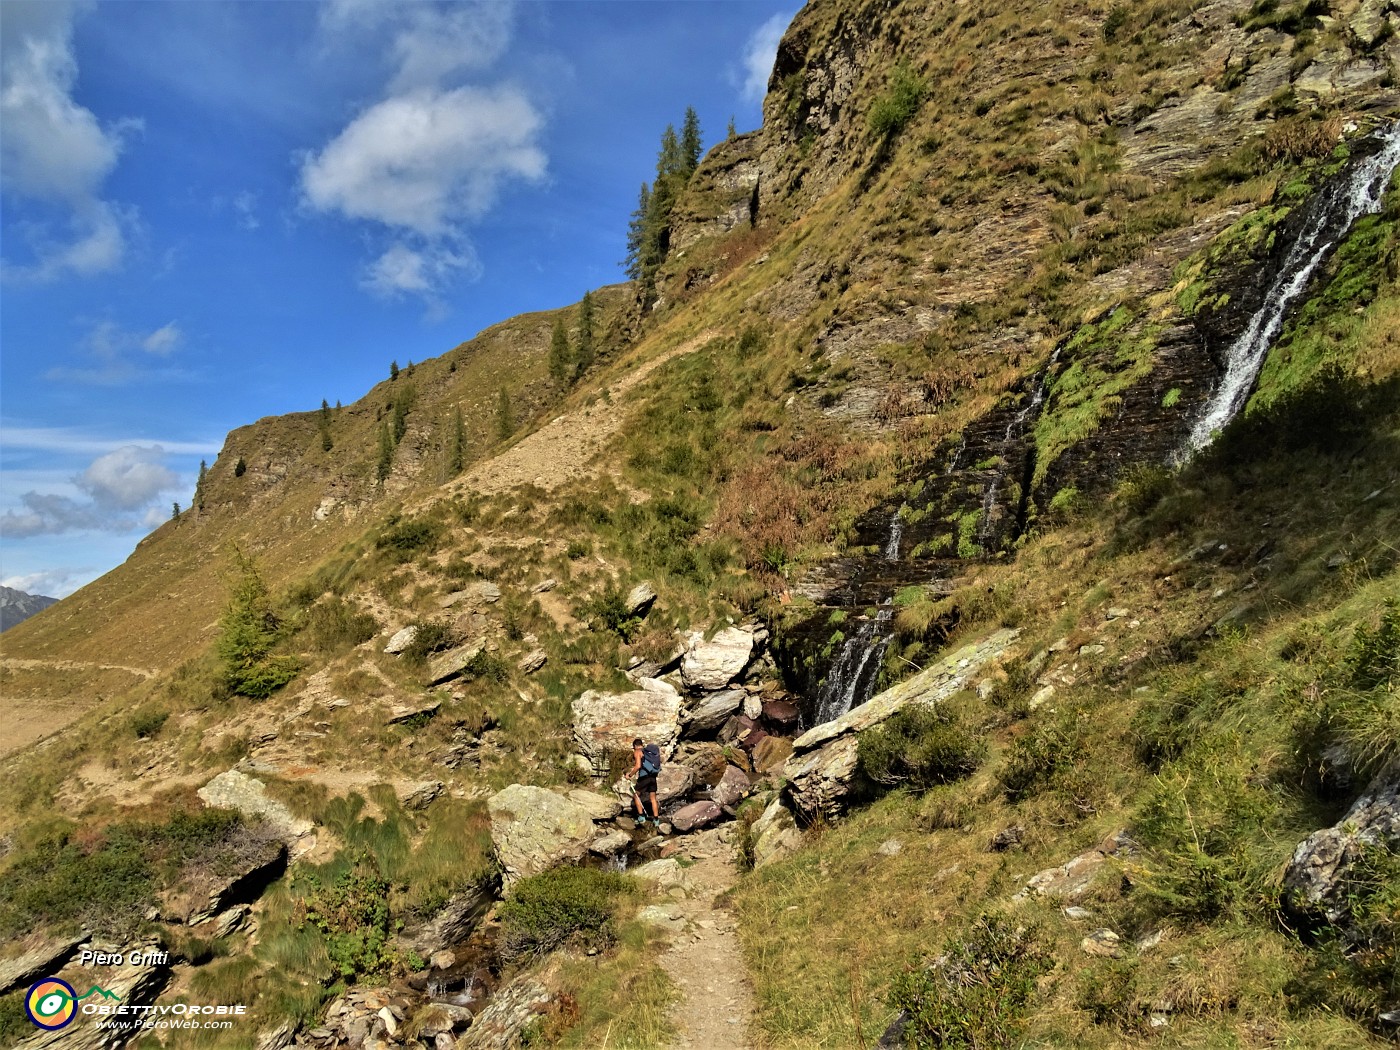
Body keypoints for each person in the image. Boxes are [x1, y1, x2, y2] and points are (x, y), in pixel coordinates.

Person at [630, 736, 662, 827]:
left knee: (636, 795)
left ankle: (641, 817)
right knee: (653, 798)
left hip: (644, 778)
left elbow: (638, 766)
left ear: (635, 746)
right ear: (642, 745)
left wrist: (630, 775)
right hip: (653, 777)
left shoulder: (638, 752)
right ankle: (656, 820)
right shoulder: (650, 752)